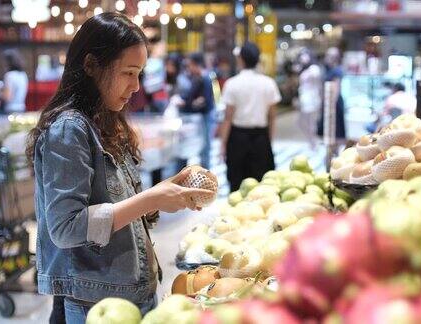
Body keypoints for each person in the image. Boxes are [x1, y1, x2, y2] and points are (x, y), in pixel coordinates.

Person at [25, 13, 212, 324]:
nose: (136, 86)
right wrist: (152, 199)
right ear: (91, 66)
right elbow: (66, 228)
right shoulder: (69, 129)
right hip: (96, 300)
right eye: (128, 73)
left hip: (128, 289)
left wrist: (165, 193)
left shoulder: (105, 122)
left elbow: (118, 207)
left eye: (139, 73)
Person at [220, 42, 281, 192]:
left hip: (237, 138)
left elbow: (228, 118)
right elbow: (272, 117)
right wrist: (269, 140)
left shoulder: (232, 84)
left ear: (240, 59)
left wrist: (223, 144)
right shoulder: (269, 83)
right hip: (261, 138)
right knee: (262, 185)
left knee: (237, 183)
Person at [177, 52, 216, 170]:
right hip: (202, 116)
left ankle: (206, 175)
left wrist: (188, 103)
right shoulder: (198, 77)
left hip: (205, 116)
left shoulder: (205, 78)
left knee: (205, 147)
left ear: (196, 64)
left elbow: (204, 101)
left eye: (190, 65)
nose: (189, 68)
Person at [317, 47, 346, 142]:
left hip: (334, 102)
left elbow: (336, 89)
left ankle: (335, 150)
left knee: (335, 130)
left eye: (330, 55)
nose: (327, 57)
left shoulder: (337, 70)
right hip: (327, 101)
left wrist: (331, 105)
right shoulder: (328, 69)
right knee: (328, 129)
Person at [297, 50, 324, 147]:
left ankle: (313, 143)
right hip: (304, 98)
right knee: (302, 122)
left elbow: (318, 83)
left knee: (310, 122)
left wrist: (321, 98)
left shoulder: (314, 69)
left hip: (312, 98)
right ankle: (312, 142)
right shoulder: (304, 69)